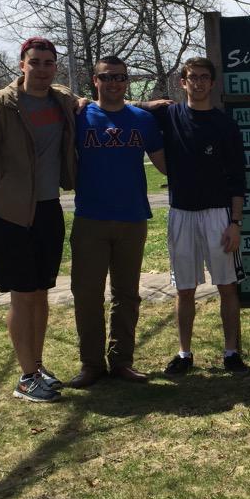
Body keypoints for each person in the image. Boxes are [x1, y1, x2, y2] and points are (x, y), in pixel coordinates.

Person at [0, 37, 78, 403]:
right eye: (35, 62)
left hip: (47, 210)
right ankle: (26, 377)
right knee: (23, 296)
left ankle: (37, 365)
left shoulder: (61, 101)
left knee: (42, 294)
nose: (42, 69)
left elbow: (103, 102)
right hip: (10, 215)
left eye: (48, 63)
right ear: (21, 64)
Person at [145, 57, 248, 376]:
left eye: (205, 78)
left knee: (227, 286)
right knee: (184, 289)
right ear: (182, 82)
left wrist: (235, 223)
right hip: (181, 213)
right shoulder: (169, 114)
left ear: (213, 83)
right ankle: (184, 353)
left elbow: (238, 178)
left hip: (218, 214)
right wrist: (151, 102)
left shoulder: (224, 124)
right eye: (193, 77)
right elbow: (122, 103)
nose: (199, 83)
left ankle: (231, 352)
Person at [68, 57, 166, 387]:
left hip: (132, 217)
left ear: (126, 81)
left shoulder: (142, 119)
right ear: (95, 81)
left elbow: (164, 164)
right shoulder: (79, 115)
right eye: (107, 77)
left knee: (127, 294)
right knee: (87, 294)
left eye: (120, 77)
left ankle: (122, 361)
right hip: (90, 219)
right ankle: (91, 364)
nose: (114, 83)